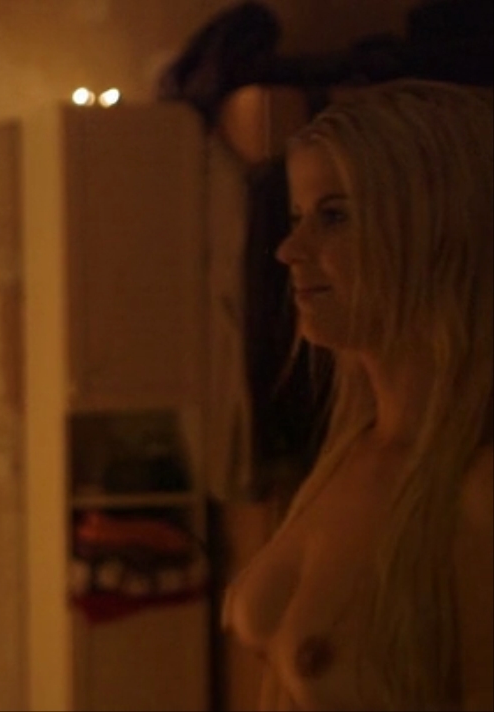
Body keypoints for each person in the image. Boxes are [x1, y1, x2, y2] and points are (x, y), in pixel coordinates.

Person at [221, 79, 493, 710]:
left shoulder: (476, 490)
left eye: (335, 217)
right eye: (297, 219)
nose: (289, 250)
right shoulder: (355, 449)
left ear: (436, 234)